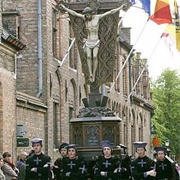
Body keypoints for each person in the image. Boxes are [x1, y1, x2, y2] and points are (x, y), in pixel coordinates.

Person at [60, 4, 127, 82]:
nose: (87, 16)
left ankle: (94, 74)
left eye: (88, 15)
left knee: (94, 56)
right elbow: (74, 13)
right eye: (86, 15)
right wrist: (65, 8)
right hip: (88, 41)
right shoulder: (84, 18)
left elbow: (110, 12)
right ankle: (90, 74)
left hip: (95, 41)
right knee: (88, 57)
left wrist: (120, 7)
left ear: (91, 14)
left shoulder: (97, 17)